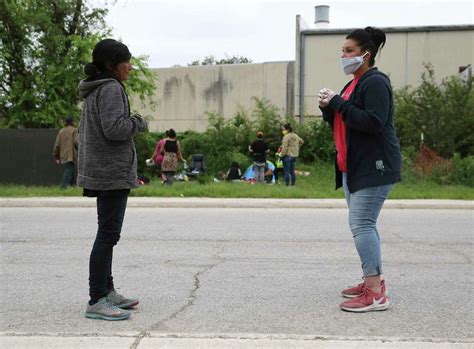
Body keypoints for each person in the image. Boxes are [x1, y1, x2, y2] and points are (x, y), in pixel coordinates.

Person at [319, 27, 402, 313]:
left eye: (349, 51)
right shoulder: (353, 83)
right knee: (365, 225)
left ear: (366, 54)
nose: (343, 55)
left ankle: (375, 294)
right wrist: (329, 109)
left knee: (362, 225)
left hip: (374, 166)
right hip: (352, 166)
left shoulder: (375, 81)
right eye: (342, 51)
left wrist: (338, 102)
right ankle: (374, 280)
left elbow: (373, 122)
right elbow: (345, 122)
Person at [78, 39, 147, 321]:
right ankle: (97, 298)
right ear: (111, 65)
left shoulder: (99, 88)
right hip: (111, 173)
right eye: (126, 61)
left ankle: (107, 291)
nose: (130, 66)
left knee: (107, 234)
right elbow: (115, 128)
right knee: (107, 235)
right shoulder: (110, 88)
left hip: (105, 170)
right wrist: (139, 122)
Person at [53, 116, 78, 189]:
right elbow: (77, 142)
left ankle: (73, 186)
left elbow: (57, 144)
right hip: (72, 154)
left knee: (71, 168)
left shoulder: (62, 131)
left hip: (63, 154)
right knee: (69, 169)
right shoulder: (75, 130)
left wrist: (56, 156)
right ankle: (63, 186)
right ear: (73, 122)